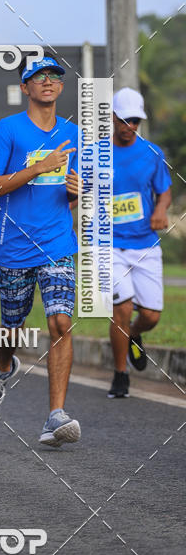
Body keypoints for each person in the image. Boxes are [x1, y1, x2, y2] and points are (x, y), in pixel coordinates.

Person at [0, 56, 82, 447]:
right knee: (12, 327)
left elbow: (74, 192)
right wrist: (38, 167)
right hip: (14, 247)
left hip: (57, 243)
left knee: (60, 323)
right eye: (39, 77)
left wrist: (75, 191)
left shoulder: (73, 134)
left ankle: (56, 416)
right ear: (25, 87)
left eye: (55, 76)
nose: (48, 81)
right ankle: (4, 368)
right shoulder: (8, 130)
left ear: (61, 86)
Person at [107, 88, 172, 398]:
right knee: (122, 307)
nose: (130, 126)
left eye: (135, 121)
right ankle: (120, 375)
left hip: (145, 244)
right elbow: (78, 191)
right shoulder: (96, 153)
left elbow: (165, 191)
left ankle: (133, 335)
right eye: (124, 120)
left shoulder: (152, 153)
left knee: (151, 316)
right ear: (113, 118)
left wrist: (161, 210)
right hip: (108, 245)